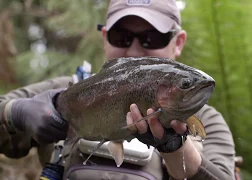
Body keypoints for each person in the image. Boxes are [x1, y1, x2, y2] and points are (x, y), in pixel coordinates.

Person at [0, 0, 236, 179]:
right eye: (121, 37)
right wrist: (14, 113)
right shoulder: (65, 91)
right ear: (105, 38)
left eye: (152, 38)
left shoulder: (205, 118)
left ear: (179, 42)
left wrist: (177, 147)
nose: (134, 50)